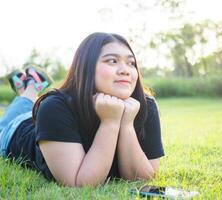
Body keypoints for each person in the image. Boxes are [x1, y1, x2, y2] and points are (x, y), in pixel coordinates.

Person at [0, 32, 164, 187]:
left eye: (131, 63)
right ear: (87, 67)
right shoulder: (53, 107)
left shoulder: (145, 105)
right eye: (112, 61)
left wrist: (126, 124)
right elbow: (79, 184)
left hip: (44, 121)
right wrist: (110, 122)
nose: (125, 70)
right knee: (19, 110)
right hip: (16, 130)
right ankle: (29, 89)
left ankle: (28, 86)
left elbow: (143, 178)